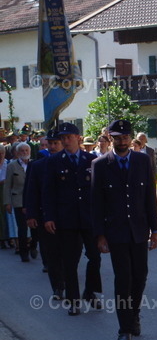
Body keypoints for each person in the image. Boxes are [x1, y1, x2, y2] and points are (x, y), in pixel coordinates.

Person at [91, 120, 157, 340]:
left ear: (132, 138)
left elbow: (150, 196)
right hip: (116, 231)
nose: (122, 142)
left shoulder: (142, 160)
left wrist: (156, 230)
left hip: (140, 229)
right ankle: (124, 328)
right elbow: (97, 204)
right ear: (110, 138)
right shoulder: (100, 165)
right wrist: (100, 235)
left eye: (126, 137)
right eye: (118, 137)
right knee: (123, 279)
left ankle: (134, 315)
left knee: (140, 276)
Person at [42, 122, 101, 315]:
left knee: (95, 257)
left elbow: (99, 192)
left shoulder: (91, 160)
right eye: (63, 138)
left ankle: (90, 292)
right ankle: (73, 300)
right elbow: (48, 192)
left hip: (89, 217)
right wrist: (49, 217)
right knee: (70, 260)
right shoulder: (54, 161)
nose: (65, 141)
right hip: (66, 219)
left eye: (69, 137)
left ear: (78, 138)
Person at [24, 130, 64, 294]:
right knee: (51, 253)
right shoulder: (37, 165)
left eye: (56, 143)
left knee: (67, 253)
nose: (52, 147)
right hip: (44, 215)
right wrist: (31, 214)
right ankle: (57, 287)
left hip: (66, 215)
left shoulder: (69, 162)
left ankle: (67, 280)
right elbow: (30, 190)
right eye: (50, 143)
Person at [3, 143, 30, 261]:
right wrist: (7, 202)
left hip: (32, 200)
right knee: (22, 228)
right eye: (22, 151)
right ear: (17, 153)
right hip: (18, 200)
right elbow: (7, 185)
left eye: (26, 150)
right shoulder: (12, 166)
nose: (24, 153)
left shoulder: (34, 164)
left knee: (35, 228)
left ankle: (33, 246)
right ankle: (24, 253)